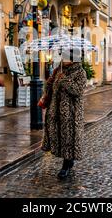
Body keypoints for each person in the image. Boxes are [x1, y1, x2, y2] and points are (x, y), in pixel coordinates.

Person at [41, 49, 87, 179]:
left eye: (66, 58)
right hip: (56, 111)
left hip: (71, 114)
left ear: (73, 60)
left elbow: (78, 90)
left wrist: (64, 81)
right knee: (60, 137)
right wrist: (49, 83)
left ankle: (65, 166)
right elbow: (50, 88)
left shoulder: (80, 73)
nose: (63, 59)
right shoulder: (58, 70)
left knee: (68, 138)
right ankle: (69, 159)